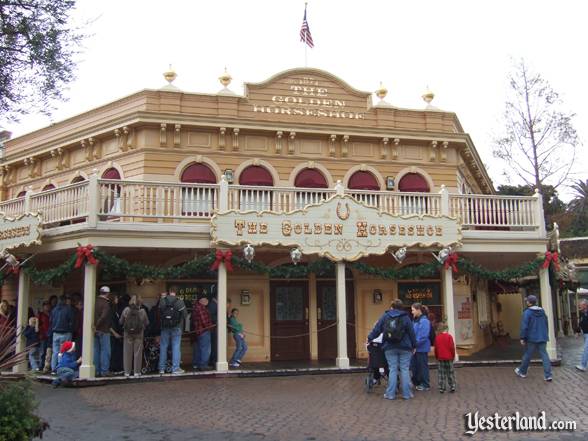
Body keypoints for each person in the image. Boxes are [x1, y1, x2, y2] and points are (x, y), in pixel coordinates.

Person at [368, 299, 416, 400]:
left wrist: (369, 339)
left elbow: (377, 329)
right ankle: (407, 394)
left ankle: (390, 394)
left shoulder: (385, 316)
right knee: (404, 369)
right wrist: (414, 345)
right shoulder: (406, 317)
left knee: (392, 369)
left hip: (389, 347)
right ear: (401, 307)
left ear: (392, 307)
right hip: (405, 347)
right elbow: (412, 333)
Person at [515, 295, 553, 381]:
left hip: (531, 337)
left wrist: (522, 337)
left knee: (528, 354)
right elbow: (546, 324)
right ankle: (548, 375)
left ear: (529, 302)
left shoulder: (527, 312)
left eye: (527, 301)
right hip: (542, 336)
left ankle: (522, 372)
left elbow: (524, 326)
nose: (526, 302)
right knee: (544, 355)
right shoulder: (542, 311)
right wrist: (545, 334)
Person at [120, 295, 149, 377]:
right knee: (138, 353)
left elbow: (121, 322)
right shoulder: (142, 311)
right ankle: (137, 372)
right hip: (139, 334)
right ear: (140, 302)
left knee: (127, 352)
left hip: (128, 334)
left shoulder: (126, 310)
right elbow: (147, 323)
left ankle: (127, 372)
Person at [158, 290, 187, 375]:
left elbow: (159, 313)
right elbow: (185, 315)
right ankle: (175, 368)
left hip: (164, 327)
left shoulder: (162, 301)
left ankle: (161, 368)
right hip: (177, 327)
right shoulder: (180, 302)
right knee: (176, 347)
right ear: (175, 292)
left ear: (169, 292)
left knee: (163, 347)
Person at [50, 295, 74, 372]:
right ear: (65, 300)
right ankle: (60, 368)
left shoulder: (54, 309)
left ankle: (53, 368)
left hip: (55, 333)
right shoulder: (68, 309)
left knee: (55, 352)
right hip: (65, 332)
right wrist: (71, 329)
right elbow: (71, 321)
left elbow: (51, 320)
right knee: (63, 352)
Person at [411, 302, 431, 391]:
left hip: (421, 349)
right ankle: (418, 382)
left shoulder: (424, 321)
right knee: (415, 367)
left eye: (413, 310)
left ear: (418, 310)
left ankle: (425, 384)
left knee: (422, 367)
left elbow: (423, 336)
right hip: (416, 348)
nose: (412, 312)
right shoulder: (415, 320)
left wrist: (415, 345)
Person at [94, 286, 113, 377]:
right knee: (105, 351)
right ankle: (104, 371)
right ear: (107, 293)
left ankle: (96, 370)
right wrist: (97, 325)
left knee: (96, 351)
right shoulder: (106, 303)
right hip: (104, 329)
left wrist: (94, 327)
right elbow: (104, 316)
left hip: (95, 330)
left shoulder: (94, 301)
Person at [191, 294, 213, 371]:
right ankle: (203, 365)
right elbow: (204, 322)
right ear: (202, 300)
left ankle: (197, 364)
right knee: (205, 349)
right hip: (204, 331)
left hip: (198, 331)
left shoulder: (196, 307)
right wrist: (211, 326)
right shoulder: (201, 308)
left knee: (199, 348)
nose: (208, 301)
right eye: (206, 300)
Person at [434, 322, 456, 393]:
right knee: (450, 372)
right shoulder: (449, 337)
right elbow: (452, 348)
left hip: (440, 357)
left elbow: (436, 348)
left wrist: (437, 356)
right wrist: (453, 356)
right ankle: (452, 386)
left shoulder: (437, 337)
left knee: (441, 373)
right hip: (449, 357)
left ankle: (442, 387)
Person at [109, 295, 125, 374]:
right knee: (113, 352)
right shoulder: (111, 310)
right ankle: (112, 368)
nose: (117, 299)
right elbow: (108, 324)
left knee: (117, 351)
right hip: (113, 334)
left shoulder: (115, 310)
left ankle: (116, 368)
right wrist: (114, 333)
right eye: (116, 298)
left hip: (116, 334)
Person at [37, 301, 51, 370]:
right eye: (46, 306)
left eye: (48, 305)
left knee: (49, 351)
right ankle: (40, 365)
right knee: (42, 351)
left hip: (50, 335)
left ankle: (47, 366)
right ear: (43, 307)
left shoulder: (51, 314)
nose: (47, 307)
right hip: (43, 335)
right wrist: (40, 332)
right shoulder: (41, 315)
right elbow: (38, 325)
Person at [575, 299, 588, 372]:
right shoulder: (582, 313)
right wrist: (577, 331)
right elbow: (581, 322)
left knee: (586, 349)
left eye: (581, 305)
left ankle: (583, 365)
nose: (579, 306)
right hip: (585, 334)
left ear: (585, 305)